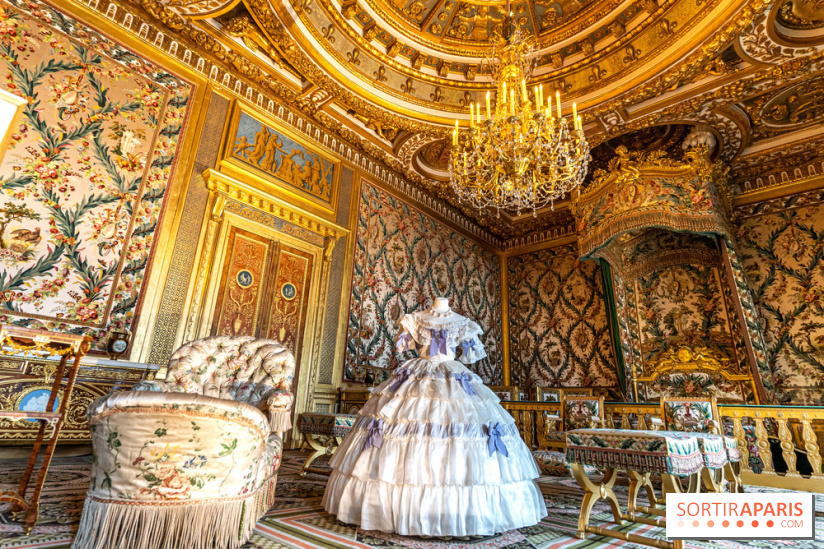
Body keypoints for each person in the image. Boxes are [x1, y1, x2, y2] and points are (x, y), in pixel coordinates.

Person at [323, 297, 546, 536]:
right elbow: (404, 346)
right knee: (406, 428)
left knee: (458, 433)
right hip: (418, 378)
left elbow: (470, 355)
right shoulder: (415, 319)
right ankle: (394, 507)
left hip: (454, 379)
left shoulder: (462, 323)